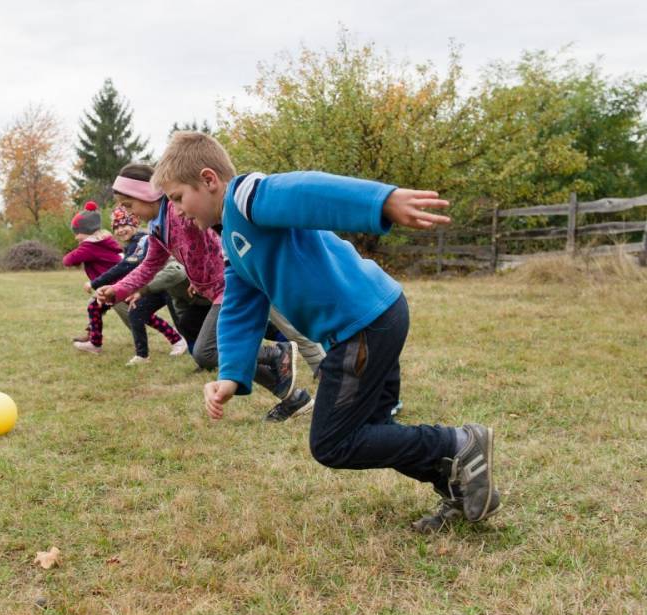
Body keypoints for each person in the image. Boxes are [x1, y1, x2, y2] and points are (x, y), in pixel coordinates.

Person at [150, 131, 500, 532]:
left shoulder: (247, 198)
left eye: (177, 198)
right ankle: (458, 483)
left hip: (363, 323)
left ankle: (458, 444)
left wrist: (380, 201)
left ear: (209, 179)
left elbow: (308, 191)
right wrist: (230, 375)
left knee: (333, 442)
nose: (176, 212)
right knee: (374, 430)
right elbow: (240, 304)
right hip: (370, 318)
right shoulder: (230, 235)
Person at [96, 163, 314, 423]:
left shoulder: (180, 212)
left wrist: (230, 265)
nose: (128, 212)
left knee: (206, 352)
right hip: (211, 291)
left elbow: (217, 231)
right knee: (202, 340)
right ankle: (293, 397)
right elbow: (150, 265)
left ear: (147, 194)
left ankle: (274, 354)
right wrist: (119, 289)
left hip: (230, 286)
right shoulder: (158, 226)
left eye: (129, 205)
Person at [89, 207, 187, 365]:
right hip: (153, 286)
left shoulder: (143, 240)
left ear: (134, 224)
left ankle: (185, 343)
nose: (120, 230)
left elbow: (126, 266)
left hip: (168, 283)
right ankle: (142, 356)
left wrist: (96, 282)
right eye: (117, 227)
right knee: (136, 311)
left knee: (181, 321)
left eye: (124, 225)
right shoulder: (130, 244)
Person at [62, 202, 123, 354]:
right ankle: (93, 339)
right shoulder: (103, 240)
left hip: (116, 285)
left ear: (86, 230)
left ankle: (176, 339)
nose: (76, 237)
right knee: (94, 307)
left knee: (142, 316)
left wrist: (80, 249)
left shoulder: (90, 246)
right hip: (115, 283)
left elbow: (68, 260)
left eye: (77, 233)